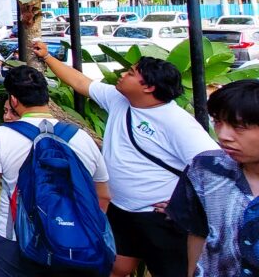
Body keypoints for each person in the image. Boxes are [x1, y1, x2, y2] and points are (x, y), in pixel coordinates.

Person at [33, 42, 218, 277]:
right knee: (117, 267)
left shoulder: (177, 122)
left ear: (149, 87)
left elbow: (212, 164)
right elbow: (81, 83)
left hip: (158, 219)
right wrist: (47, 57)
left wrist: (183, 205)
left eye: (131, 73)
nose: (122, 74)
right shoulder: (119, 100)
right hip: (121, 210)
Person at [0, 65, 110, 277]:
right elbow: (103, 195)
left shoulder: (1, 136)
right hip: (74, 245)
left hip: (14, 239)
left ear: (14, 100)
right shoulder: (81, 137)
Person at [168, 78, 259, 276]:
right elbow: (198, 233)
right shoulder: (205, 170)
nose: (223, 135)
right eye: (218, 122)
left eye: (239, 126)